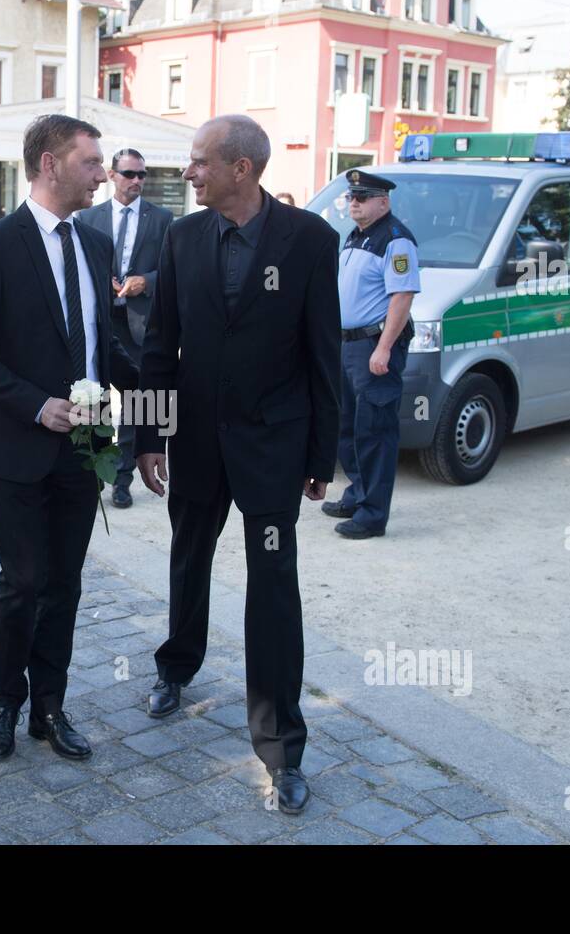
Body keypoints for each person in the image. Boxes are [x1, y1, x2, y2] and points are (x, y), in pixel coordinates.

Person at [135, 115, 341, 814]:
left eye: (199, 163)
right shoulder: (182, 236)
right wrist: (149, 436)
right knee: (187, 558)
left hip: (272, 448)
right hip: (193, 439)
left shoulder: (309, 240)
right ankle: (176, 667)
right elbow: (160, 344)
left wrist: (321, 455)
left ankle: (281, 745)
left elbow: (322, 355)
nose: (188, 173)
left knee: (274, 588)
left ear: (241, 169)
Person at [0, 114, 139, 762]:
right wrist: (36, 406)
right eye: (92, 162)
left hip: (87, 443)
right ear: (51, 164)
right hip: (16, 446)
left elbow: (105, 343)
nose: (103, 174)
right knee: (23, 580)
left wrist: (159, 396)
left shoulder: (96, 244)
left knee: (66, 582)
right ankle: (7, 701)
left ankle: (50, 706)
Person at [320, 169, 419, 538]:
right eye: (351, 197)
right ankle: (357, 495)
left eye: (362, 197)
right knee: (347, 425)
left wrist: (384, 347)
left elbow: (402, 296)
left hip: (374, 347)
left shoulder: (396, 241)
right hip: (348, 344)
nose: (354, 203)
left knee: (374, 430)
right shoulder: (357, 236)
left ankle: (373, 515)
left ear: (383, 201)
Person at [76, 147, 173, 509]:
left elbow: (172, 270)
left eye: (142, 175)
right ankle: (96, 466)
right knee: (93, 395)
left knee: (141, 400)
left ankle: (124, 477)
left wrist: (145, 281)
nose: (136, 181)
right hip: (101, 321)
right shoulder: (89, 217)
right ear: (112, 175)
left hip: (142, 324)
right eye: (129, 174)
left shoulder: (162, 218)